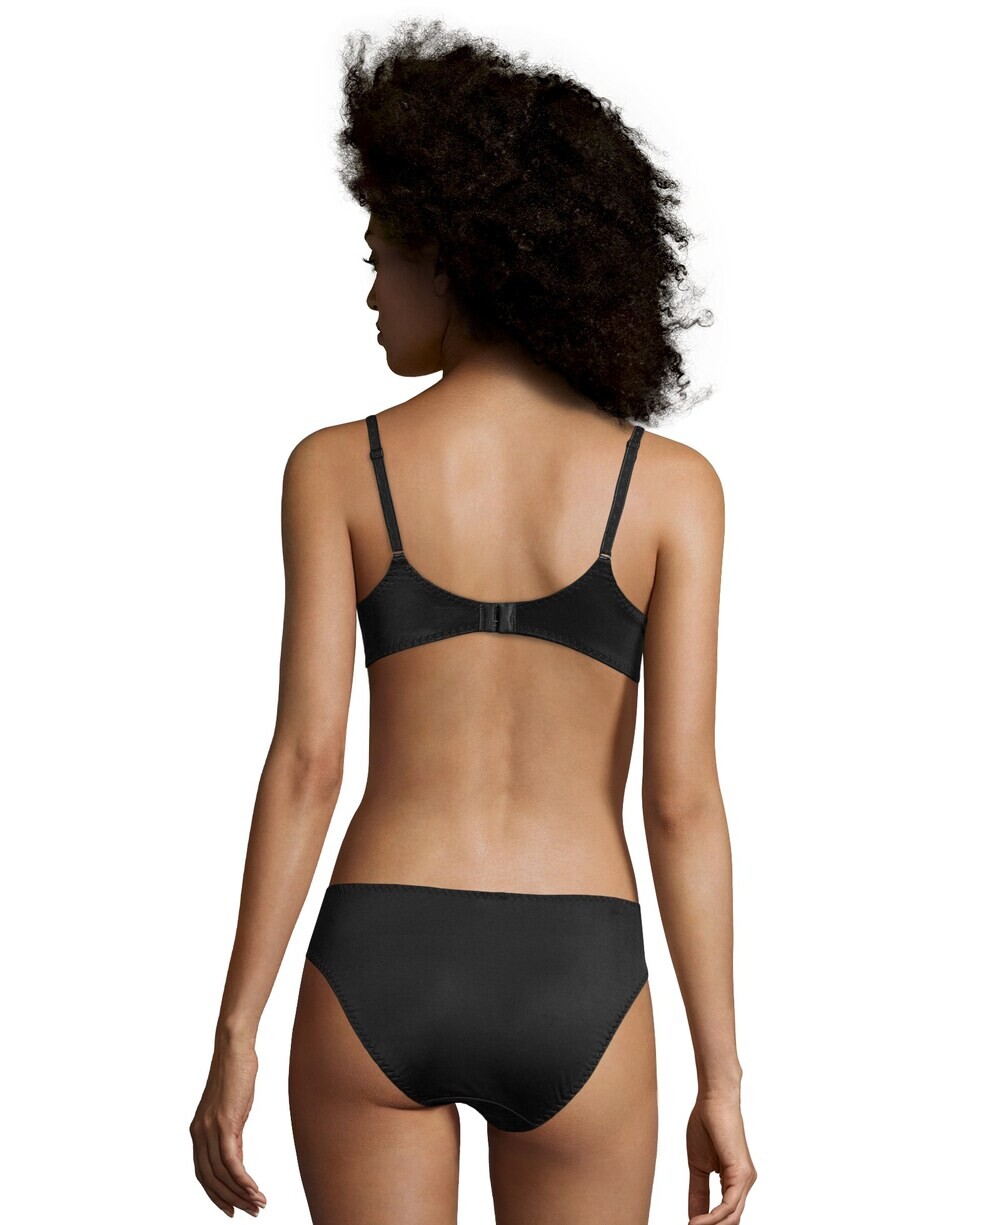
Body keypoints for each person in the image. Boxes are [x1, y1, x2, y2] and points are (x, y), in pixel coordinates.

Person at [189, 19, 756, 1225]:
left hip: (377, 955)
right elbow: (681, 802)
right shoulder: (671, 490)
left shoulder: (335, 470)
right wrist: (722, 1076)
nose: (370, 290)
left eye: (380, 255)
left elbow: (306, 763)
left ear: (453, 259)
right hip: (579, 972)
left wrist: (236, 1030)